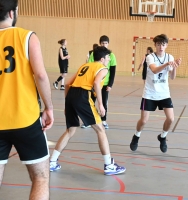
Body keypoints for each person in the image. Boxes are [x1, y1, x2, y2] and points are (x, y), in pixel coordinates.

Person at [0, 0, 54, 199]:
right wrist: (49, 107)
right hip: (26, 119)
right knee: (40, 178)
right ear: (12, 13)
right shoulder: (27, 36)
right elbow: (40, 75)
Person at [49, 46, 126, 175]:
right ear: (102, 59)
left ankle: (52, 162)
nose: (108, 60)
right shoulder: (103, 68)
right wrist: (101, 104)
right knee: (100, 129)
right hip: (83, 96)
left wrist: (67, 104)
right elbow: (96, 84)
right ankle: (109, 165)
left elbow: (68, 84)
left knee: (70, 130)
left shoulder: (84, 66)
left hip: (72, 95)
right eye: (108, 58)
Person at [130, 34, 181, 153]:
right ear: (155, 45)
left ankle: (163, 137)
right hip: (150, 93)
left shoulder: (170, 57)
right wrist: (167, 64)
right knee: (143, 121)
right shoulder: (150, 57)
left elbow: (172, 77)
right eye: (158, 44)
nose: (161, 47)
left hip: (164, 93)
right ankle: (136, 136)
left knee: (171, 119)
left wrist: (175, 67)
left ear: (166, 45)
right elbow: (154, 70)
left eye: (163, 44)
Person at [86, 35, 116, 129]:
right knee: (91, 101)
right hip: (94, 83)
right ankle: (88, 120)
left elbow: (113, 71)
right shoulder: (94, 54)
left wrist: (110, 84)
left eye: (106, 43)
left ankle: (103, 120)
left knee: (103, 102)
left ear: (108, 44)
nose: (104, 45)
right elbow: (90, 67)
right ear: (100, 43)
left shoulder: (111, 55)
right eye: (102, 43)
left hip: (105, 83)